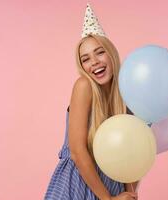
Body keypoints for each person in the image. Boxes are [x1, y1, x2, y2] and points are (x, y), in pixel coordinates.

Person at [44, 3, 139, 200]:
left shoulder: (127, 94)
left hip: (111, 184)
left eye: (100, 52)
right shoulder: (84, 87)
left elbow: (133, 151)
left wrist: (130, 192)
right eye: (85, 59)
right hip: (78, 183)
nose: (94, 62)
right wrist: (109, 199)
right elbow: (78, 152)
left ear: (111, 53)